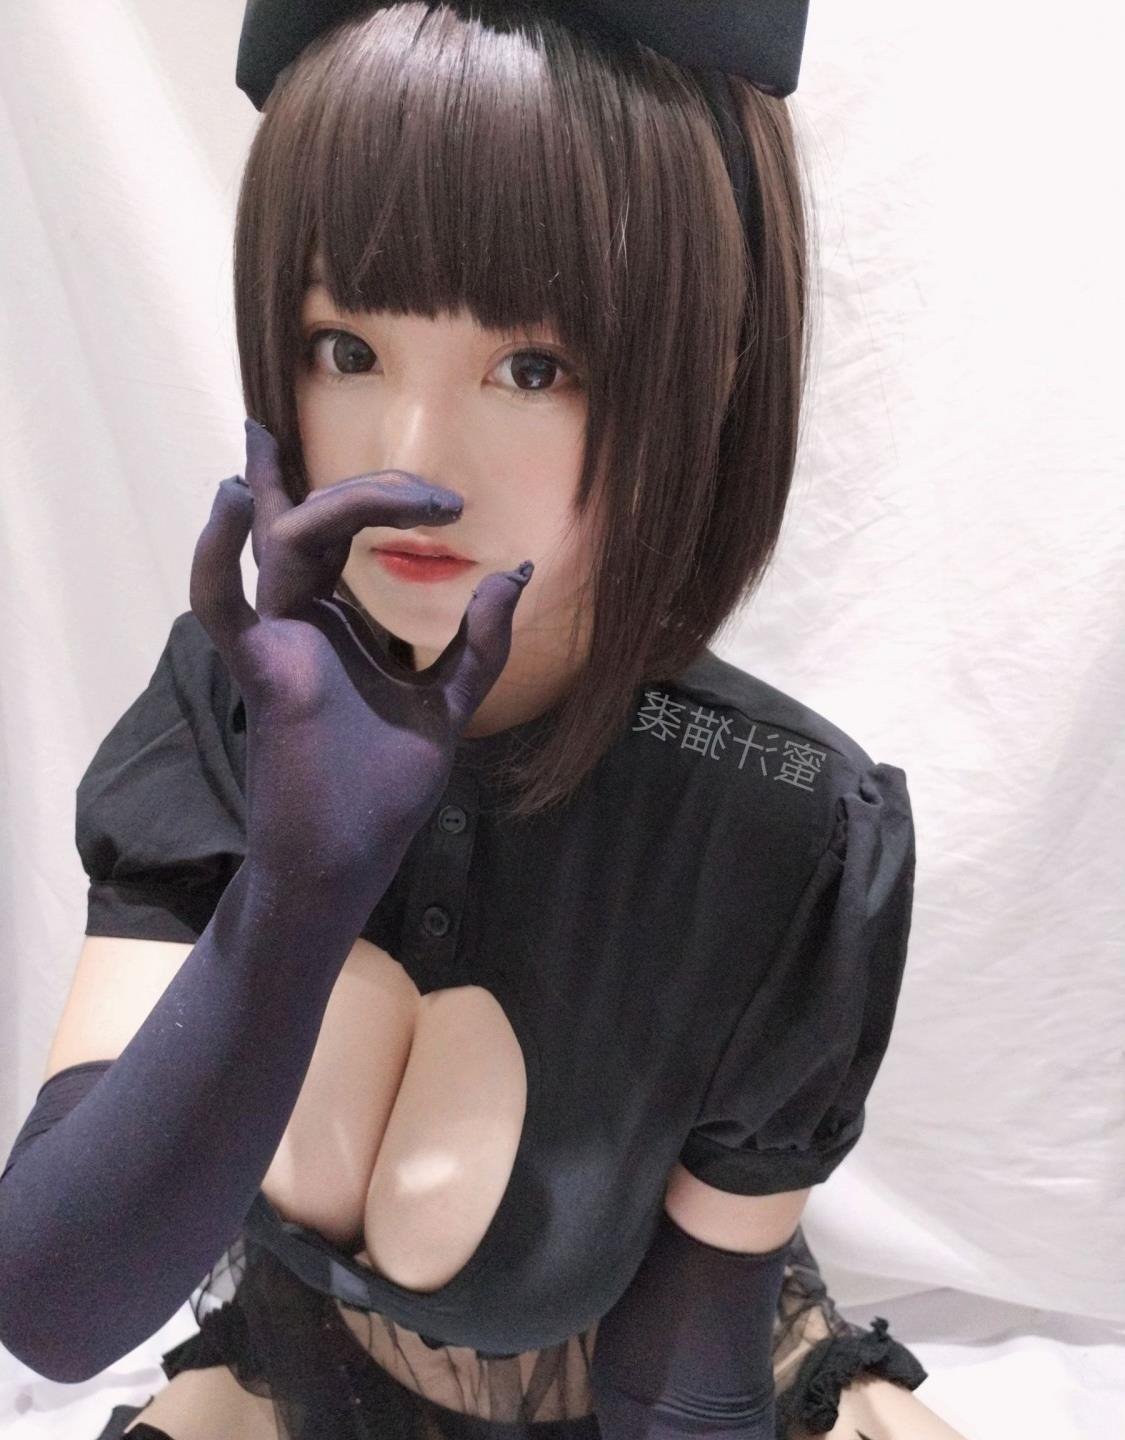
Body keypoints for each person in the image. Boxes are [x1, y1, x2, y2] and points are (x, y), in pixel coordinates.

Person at [0, 4, 969, 1438]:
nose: (412, 457)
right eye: (345, 347)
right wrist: (299, 887)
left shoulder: (778, 815)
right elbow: (56, 1306)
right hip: (318, 1365)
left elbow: (684, 1369)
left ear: (703, 367)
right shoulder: (231, 706)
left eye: (532, 369)